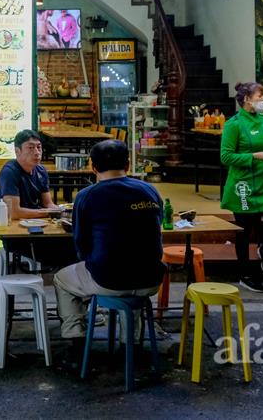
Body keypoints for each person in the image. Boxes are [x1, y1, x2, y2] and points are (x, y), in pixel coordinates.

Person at [54, 140, 165, 361]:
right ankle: (129, 346)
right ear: (129, 163)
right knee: (131, 281)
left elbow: (82, 246)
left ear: (93, 166)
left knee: (61, 280)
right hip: (151, 279)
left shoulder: (86, 196)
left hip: (108, 279)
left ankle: (77, 342)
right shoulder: (150, 191)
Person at [220, 82, 263, 294]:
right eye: (259, 96)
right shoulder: (234, 124)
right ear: (246, 99)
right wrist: (254, 156)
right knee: (245, 230)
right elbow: (226, 156)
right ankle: (246, 274)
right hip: (243, 185)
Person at [0, 130, 74, 270]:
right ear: (17, 151)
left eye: (39, 147)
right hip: (15, 234)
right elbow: (14, 213)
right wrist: (48, 213)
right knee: (67, 250)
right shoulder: (10, 172)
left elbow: (48, 203)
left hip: (36, 228)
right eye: (30, 148)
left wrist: (64, 210)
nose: (37, 152)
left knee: (73, 239)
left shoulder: (41, 171)